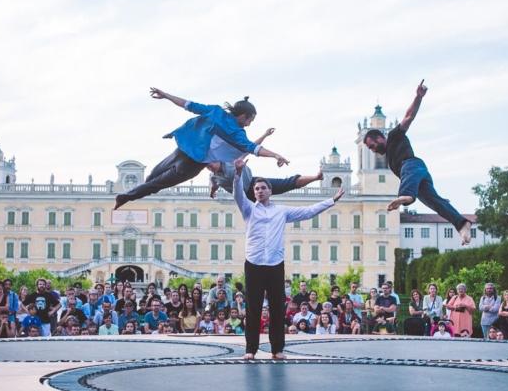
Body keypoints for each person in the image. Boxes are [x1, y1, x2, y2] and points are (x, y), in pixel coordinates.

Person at [234, 157, 344, 360]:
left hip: (275, 265)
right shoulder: (248, 209)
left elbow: (308, 212)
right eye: (256, 188)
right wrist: (238, 173)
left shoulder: (281, 211)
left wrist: (331, 201)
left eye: (263, 188)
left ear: (270, 191)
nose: (259, 191)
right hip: (254, 264)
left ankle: (277, 349)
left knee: (277, 308)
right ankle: (251, 349)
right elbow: (237, 194)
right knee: (253, 309)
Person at [114, 90, 289, 209]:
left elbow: (189, 105)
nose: (249, 124)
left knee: (153, 175)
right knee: (157, 183)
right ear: (243, 116)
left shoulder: (215, 111)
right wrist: (275, 155)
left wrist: (166, 95)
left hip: (183, 149)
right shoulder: (236, 132)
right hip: (194, 163)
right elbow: (254, 149)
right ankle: (124, 198)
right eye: (250, 120)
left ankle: (128, 196)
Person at [363, 80, 472, 245]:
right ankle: (462, 224)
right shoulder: (390, 159)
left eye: (373, 146)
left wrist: (418, 97)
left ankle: (405, 196)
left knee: (406, 170)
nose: (373, 150)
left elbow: (409, 116)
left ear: (379, 137)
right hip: (416, 179)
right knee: (435, 202)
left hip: (414, 166)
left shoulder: (394, 136)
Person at [207, 127, 323, 201]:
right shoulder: (213, 177)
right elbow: (214, 186)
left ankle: (316, 177)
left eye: (211, 163)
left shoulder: (231, 160)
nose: (210, 167)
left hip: (254, 183)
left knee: (286, 183)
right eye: (207, 167)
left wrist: (266, 137)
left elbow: (251, 147)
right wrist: (212, 192)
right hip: (244, 198)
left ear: (217, 159)